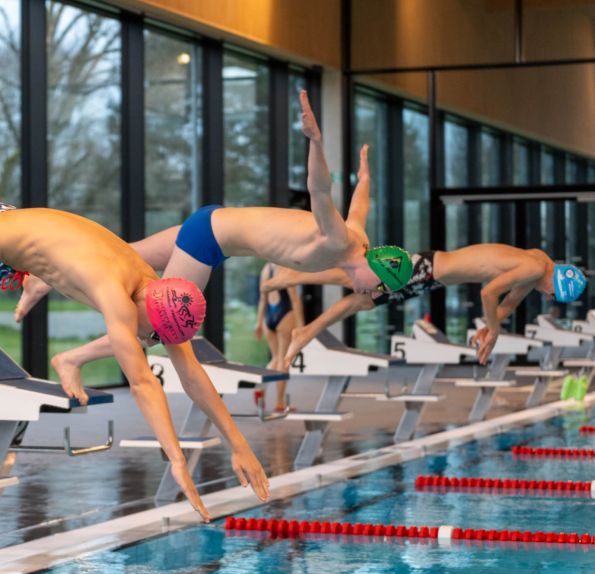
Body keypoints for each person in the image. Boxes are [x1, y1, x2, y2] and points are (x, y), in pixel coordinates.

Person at [15, 90, 394, 400]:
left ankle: (42, 279)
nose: (365, 295)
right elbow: (320, 190)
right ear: (374, 270)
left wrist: (364, 174)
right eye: (375, 289)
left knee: (120, 257)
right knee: (159, 325)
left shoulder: (358, 238)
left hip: (208, 223)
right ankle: (73, 358)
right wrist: (315, 141)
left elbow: (361, 202)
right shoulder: (339, 239)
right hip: (212, 241)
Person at [0, 206, 269, 521]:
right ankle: (35, 280)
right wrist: (178, 460)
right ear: (147, 310)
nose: (153, 342)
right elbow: (142, 383)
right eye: (155, 335)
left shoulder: (155, 290)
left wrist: (240, 445)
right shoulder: (115, 292)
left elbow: (193, 375)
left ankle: (36, 281)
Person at [260, 245, 587, 366]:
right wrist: (495, 329)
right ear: (557, 283)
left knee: (363, 301)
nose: (548, 298)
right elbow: (489, 295)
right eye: (554, 294)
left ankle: (306, 330)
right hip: (430, 269)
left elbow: (507, 304)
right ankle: (293, 277)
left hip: (433, 277)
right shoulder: (533, 270)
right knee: (357, 284)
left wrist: (492, 327)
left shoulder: (538, 265)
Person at [255, 263, 304, 412]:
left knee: (275, 358)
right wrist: (301, 326)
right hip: (284, 313)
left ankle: (260, 389)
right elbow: (294, 300)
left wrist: (259, 323)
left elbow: (263, 298)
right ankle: (280, 403)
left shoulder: (266, 269)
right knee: (283, 360)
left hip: (269, 315)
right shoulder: (287, 268)